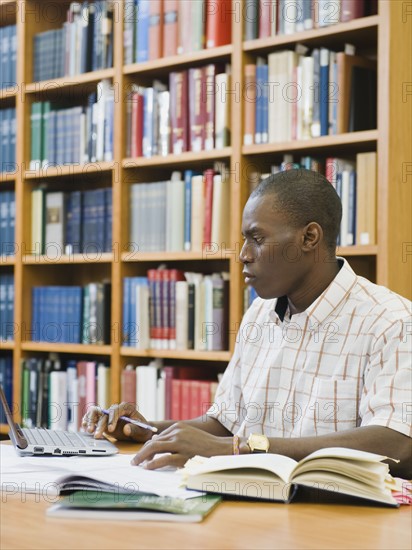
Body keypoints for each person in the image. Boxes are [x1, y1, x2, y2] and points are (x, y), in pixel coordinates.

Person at [83, 169, 412, 478]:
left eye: (257, 238)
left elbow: (395, 441)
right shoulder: (259, 314)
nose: (242, 254)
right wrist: (148, 431)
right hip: (250, 508)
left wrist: (239, 449)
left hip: (338, 522)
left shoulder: (391, 321)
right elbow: (225, 425)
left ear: (310, 237)